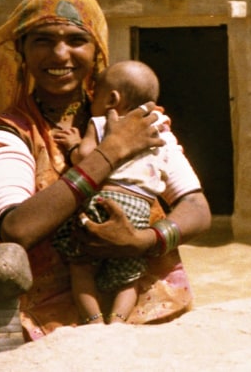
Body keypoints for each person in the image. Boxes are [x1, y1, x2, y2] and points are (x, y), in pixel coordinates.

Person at [0, 0, 211, 339]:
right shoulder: (4, 134)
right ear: (22, 50)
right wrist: (111, 153)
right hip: (46, 328)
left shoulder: (138, 120)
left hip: (150, 318)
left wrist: (144, 242)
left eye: (77, 40)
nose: (60, 54)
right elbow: (16, 228)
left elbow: (197, 207)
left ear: (97, 51)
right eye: (43, 40)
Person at [51, 60, 198, 325]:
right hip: (139, 210)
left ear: (112, 99)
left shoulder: (101, 122)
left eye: (94, 94)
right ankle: (118, 321)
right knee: (129, 275)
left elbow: (85, 156)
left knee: (80, 265)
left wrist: (73, 145)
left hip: (105, 200)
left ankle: (94, 321)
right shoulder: (163, 131)